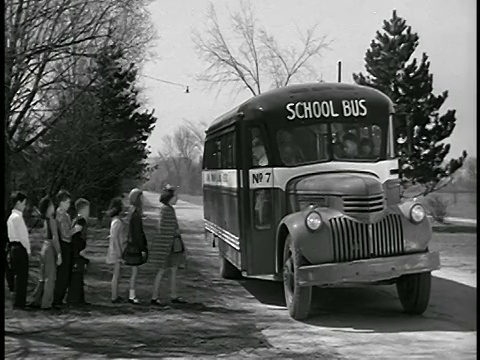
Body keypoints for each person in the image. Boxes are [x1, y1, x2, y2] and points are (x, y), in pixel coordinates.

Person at [151, 185, 187, 307]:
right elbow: (167, 229)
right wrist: (176, 232)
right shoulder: (167, 210)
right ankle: (154, 297)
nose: (177, 198)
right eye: (175, 196)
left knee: (173, 270)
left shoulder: (167, 209)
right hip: (166, 246)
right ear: (170, 198)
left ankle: (173, 295)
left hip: (170, 246)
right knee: (162, 271)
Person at [30, 196, 62, 310]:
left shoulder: (44, 221)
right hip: (49, 247)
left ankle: (36, 299)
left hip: (43, 247)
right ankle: (46, 303)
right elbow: (55, 237)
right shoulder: (51, 220)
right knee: (50, 276)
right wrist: (59, 253)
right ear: (49, 207)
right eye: (52, 205)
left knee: (42, 277)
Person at [53, 190, 83, 307]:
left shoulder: (65, 215)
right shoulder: (61, 215)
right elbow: (65, 233)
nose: (68, 205)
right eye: (67, 202)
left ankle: (59, 297)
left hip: (67, 245)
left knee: (65, 273)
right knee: (63, 274)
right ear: (61, 202)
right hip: (64, 244)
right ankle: (57, 299)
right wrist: (76, 229)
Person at [122, 188, 148, 304]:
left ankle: (131, 294)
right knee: (134, 272)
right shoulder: (136, 214)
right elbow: (137, 233)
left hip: (131, 244)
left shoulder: (132, 212)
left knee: (134, 271)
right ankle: (132, 295)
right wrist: (142, 247)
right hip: (135, 245)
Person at [7, 191, 31, 310]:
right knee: (22, 276)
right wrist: (28, 250)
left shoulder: (11, 217)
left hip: (13, 247)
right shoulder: (17, 217)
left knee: (17, 275)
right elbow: (23, 236)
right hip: (19, 247)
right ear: (18, 202)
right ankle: (19, 302)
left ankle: (18, 301)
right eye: (23, 203)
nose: (24, 206)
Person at [67, 198, 90, 306]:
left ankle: (79, 298)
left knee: (79, 275)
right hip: (78, 251)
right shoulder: (81, 220)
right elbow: (76, 234)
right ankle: (75, 299)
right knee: (77, 275)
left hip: (75, 250)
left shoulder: (75, 219)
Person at [105, 197, 128, 303]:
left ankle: (115, 294)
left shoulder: (115, 221)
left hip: (115, 249)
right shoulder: (117, 222)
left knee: (117, 274)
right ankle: (114, 296)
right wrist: (119, 251)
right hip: (116, 250)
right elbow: (115, 237)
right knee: (116, 274)